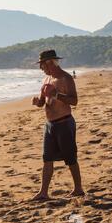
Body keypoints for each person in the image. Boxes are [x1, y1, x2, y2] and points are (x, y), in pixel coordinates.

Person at [31, 49, 85, 200]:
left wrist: (57, 95)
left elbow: (74, 101)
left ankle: (78, 188)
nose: (41, 68)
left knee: (70, 157)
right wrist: (37, 102)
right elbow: (43, 102)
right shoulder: (46, 79)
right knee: (47, 158)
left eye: (42, 65)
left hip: (64, 122)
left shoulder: (66, 78)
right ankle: (43, 192)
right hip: (50, 125)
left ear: (49, 63)